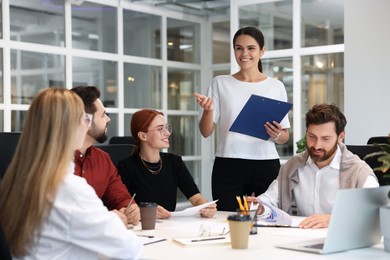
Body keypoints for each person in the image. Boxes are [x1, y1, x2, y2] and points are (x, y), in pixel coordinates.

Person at [0, 88, 143, 259]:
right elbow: (129, 250)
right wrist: (111, 219)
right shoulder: (67, 188)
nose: (86, 124)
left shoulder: (19, 179)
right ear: (69, 125)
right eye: (84, 118)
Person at [194, 26, 290, 211]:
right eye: (239, 48)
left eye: (251, 48)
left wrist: (276, 134)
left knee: (265, 219)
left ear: (262, 51)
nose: (244, 53)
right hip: (229, 164)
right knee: (227, 218)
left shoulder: (276, 86)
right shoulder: (220, 83)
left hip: (266, 163)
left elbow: (285, 136)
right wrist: (208, 111)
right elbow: (206, 132)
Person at [249, 103, 379, 229]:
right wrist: (259, 206)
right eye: (312, 136)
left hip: (342, 239)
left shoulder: (360, 172)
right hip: (299, 238)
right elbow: (270, 199)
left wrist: (332, 219)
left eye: (325, 139)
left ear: (341, 136)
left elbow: (374, 214)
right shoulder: (293, 166)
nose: (317, 145)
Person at [117, 109, 217, 219]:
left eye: (166, 127)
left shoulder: (175, 162)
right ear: (143, 136)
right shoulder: (126, 167)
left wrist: (206, 207)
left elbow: (196, 197)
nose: (168, 133)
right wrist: (146, 212)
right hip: (142, 228)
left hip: (170, 226)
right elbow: (122, 208)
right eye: (160, 129)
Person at [71, 86, 140, 225]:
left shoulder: (103, 159)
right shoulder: (54, 161)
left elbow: (121, 197)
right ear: (86, 121)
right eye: (103, 114)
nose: (108, 119)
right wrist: (107, 217)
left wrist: (129, 209)